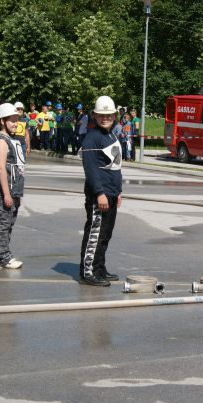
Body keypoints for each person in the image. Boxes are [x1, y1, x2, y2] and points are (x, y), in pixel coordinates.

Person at [79, 95, 123, 286]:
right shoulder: (92, 138)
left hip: (112, 194)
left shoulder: (112, 135)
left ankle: (99, 268)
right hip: (100, 195)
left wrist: (118, 191)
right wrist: (99, 193)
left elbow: (116, 167)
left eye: (109, 115)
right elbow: (91, 169)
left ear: (114, 116)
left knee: (105, 234)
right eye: (101, 115)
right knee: (95, 234)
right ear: (95, 117)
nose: (105, 118)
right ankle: (88, 272)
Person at [0, 103, 26, 269]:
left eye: (16, 120)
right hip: (6, 189)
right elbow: (0, 167)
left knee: (9, 222)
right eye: (12, 120)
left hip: (15, 189)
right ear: (3, 121)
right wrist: (6, 194)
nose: (15, 123)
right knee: (3, 223)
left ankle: (3, 254)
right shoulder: (1, 141)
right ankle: (2, 257)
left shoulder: (12, 139)